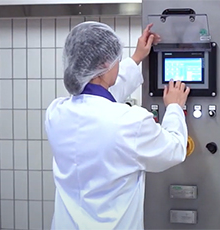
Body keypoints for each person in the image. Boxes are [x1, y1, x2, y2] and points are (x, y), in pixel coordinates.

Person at [44, 21, 191, 229]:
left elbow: (100, 98)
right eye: (116, 60)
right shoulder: (131, 122)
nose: (118, 64)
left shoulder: (55, 114)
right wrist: (175, 107)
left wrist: (137, 57)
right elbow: (174, 149)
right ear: (105, 64)